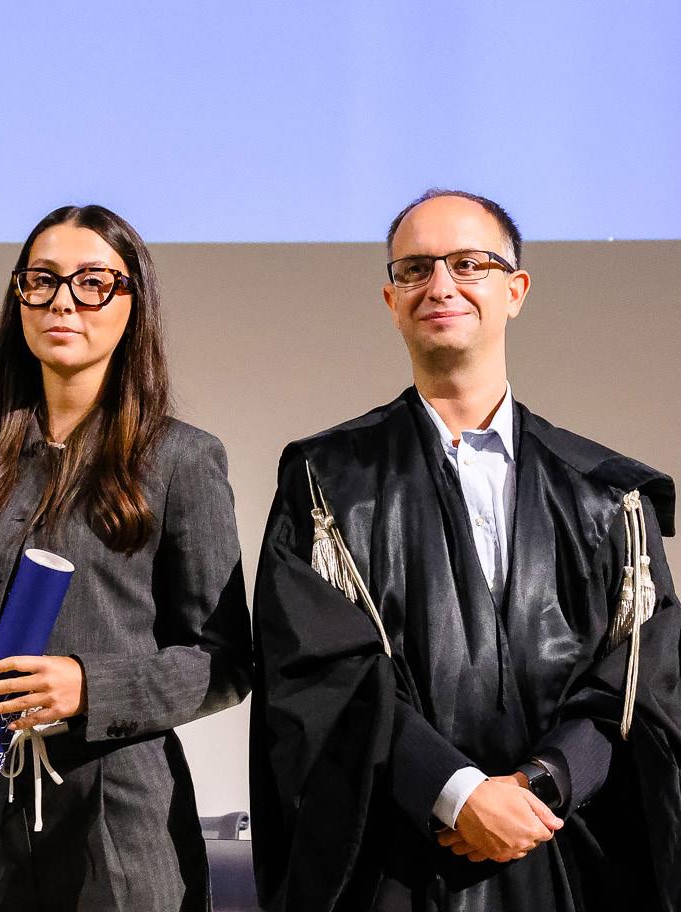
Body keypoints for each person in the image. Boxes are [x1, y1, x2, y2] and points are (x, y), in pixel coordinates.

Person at [250, 188, 681, 911]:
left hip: (565, 855)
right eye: (415, 269)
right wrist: (456, 793)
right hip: (396, 860)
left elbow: (641, 681)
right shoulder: (326, 484)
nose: (440, 285)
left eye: (469, 264)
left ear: (515, 291)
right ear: (391, 300)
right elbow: (320, 676)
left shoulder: (609, 494)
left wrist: (542, 784)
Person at [0, 204, 252, 910]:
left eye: (92, 283)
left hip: (121, 815)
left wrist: (89, 686)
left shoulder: (182, 459)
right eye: (42, 280)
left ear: (132, 303)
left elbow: (225, 663)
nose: (62, 301)